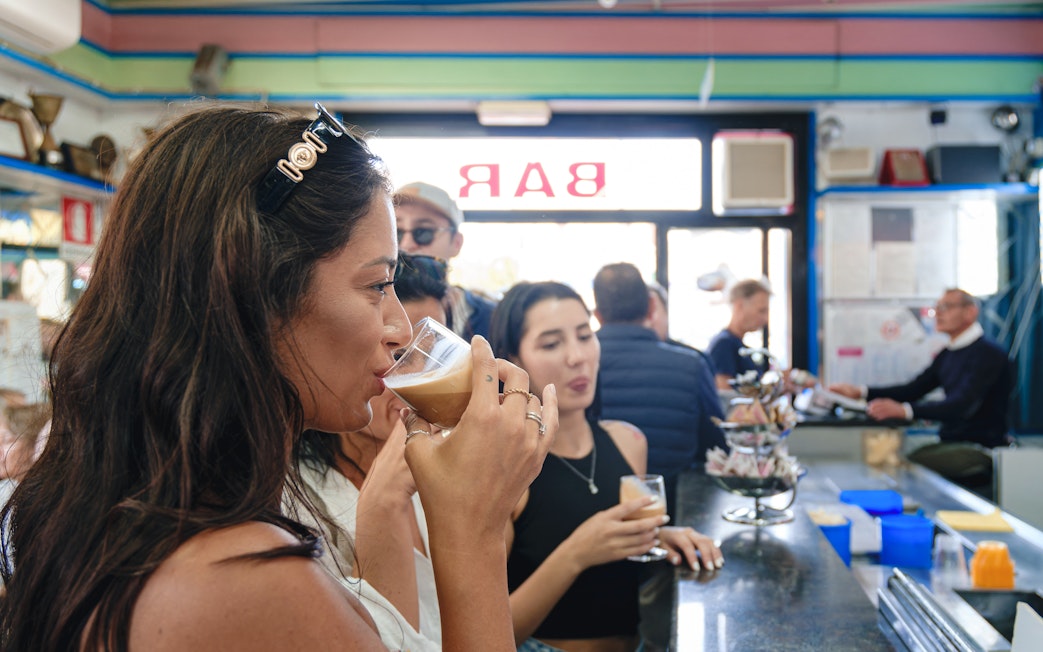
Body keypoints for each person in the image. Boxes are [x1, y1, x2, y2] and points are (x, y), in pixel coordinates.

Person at [0, 102, 557, 650]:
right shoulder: (247, 579)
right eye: (376, 286)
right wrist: (471, 531)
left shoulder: (129, 506)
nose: (399, 326)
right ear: (259, 294)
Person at [490, 280, 722, 652]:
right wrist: (577, 553)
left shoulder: (629, 443)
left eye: (585, 335)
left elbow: (618, 566)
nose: (577, 356)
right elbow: (490, 634)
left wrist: (658, 538)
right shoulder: (505, 468)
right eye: (551, 344)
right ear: (513, 362)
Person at [292, 253, 451, 646]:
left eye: (432, 357)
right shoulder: (295, 500)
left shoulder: (437, 466)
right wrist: (385, 499)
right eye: (400, 357)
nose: (415, 379)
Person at [829, 288, 1013, 492]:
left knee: (905, 464)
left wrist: (905, 411)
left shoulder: (989, 355)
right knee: (898, 461)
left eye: (946, 307)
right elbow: (913, 389)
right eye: (937, 308)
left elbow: (961, 405)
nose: (939, 313)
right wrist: (861, 392)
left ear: (971, 312)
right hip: (950, 442)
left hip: (980, 448)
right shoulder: (948, 354)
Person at [592, 263, 727, 508]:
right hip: (673, 508)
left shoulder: (578, 366)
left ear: (597, 314)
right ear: (652, 307)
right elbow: (716, 443)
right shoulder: (691, 364)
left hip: (594, 508)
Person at [394, 181, 498, 338]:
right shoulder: (369, 313)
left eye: (423, 232)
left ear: (456, 242)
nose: (406, 244)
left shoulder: (494, 319)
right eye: (396, 233)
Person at [707, 278, 772, 391]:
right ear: (739, 306)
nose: (765, 319)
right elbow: (725, 397)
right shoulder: (724, 345)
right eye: (761, 311)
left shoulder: (739, 346)